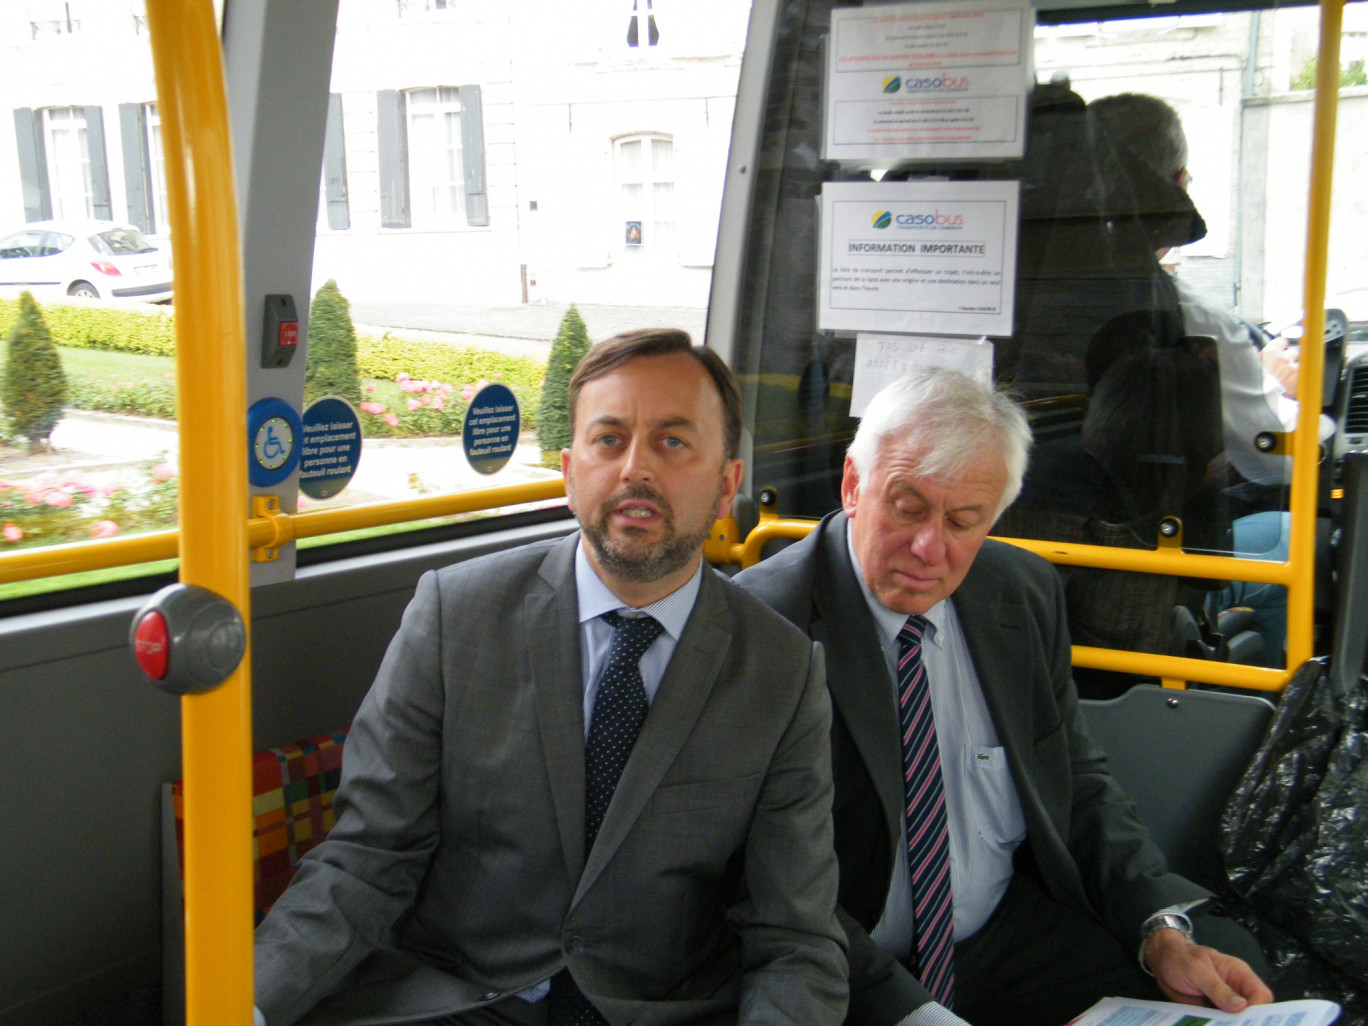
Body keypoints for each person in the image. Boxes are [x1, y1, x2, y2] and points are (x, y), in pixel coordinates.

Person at [254, 329, 848, 1026]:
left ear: (726, 485)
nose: (636, 469)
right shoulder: (454, 616)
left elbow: (793, 937)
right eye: (609, 439)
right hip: (458, 999)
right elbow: (369, 856)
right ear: (569, 472)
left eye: (673, 442)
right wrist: (247, 1006)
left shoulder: (779, 670)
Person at [734, 367, 1272, 1026]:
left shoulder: (1020, 592)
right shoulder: (762, 625)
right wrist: (915, 1013)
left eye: (965, 520)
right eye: (907, 507)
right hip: (844, 961)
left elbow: (1076, 781)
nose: (931, 547)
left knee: (1225, 985)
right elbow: (768, 883)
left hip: (1002, 934)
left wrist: (1158, 930)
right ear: (853, 484)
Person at [1087, 92, 1297, 497]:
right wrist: (1273, 381)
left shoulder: (1017, 295)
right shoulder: (1193, 321)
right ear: (1178, 183)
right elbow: (1276, 460)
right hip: (1148, 537)